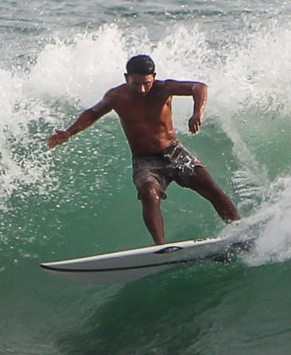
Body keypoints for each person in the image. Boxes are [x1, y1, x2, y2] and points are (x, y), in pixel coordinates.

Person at [46, 54, 240, 245]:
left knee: (210, 187)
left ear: (154, 76)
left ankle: (239, 231)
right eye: (136, 83)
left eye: (146, 83)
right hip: (145, 160)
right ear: (126, 78)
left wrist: (197, 112)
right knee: (148, 193)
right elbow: (93, 113)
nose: (142, 89)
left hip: (174, 151)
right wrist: (70, 132)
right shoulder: (116, 96)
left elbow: (199, 87)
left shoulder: (165, 88)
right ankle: (161, 248)